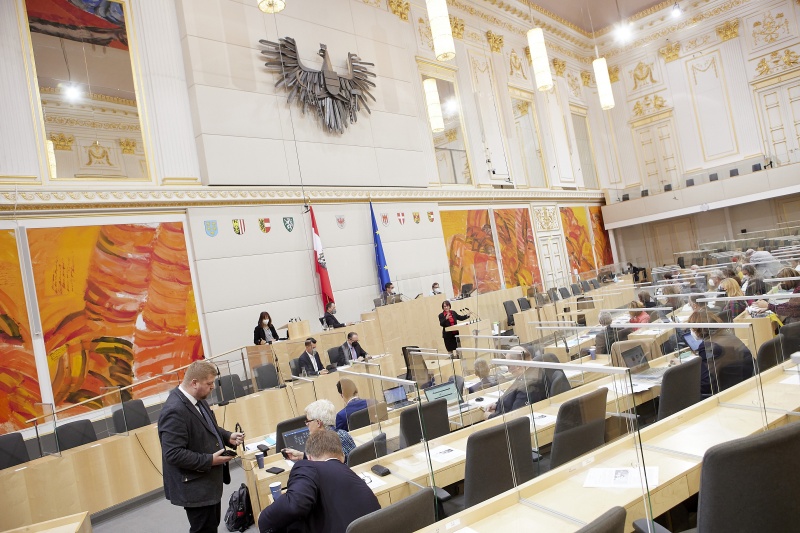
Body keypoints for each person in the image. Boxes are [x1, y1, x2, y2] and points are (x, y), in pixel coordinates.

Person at [158, 360, 245, 533]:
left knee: (211, 527)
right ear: (194, 382)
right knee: (203, 529)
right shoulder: (174, 410)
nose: (213, 387)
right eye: (209, 383)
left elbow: (208, 427)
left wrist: (228, 437)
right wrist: (210, 460)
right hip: (195, 486)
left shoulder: (198, 399)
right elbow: (173, 453)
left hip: (208, 482)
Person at [258, 430, 380, 533]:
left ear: (309, 458)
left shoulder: (307, 467)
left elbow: (294, 505)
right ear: (342, 455)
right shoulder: (353, 477)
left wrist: (263, 518)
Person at [687, 309, 753, 396]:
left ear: (697, 329)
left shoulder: (707, 346)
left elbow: (705, 384)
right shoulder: (727, 334)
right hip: (745, 383)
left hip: (724, 392)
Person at [282, 400, 356, 461]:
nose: (307, 424)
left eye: (308, 421)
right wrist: (301, 455)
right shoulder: (342, 433)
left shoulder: (328, 443)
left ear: (318, 423)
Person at [486, 346, 544, 418]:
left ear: (518, 365)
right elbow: (512, 396)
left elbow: (514, 416)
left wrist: (489, 416)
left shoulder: (529, 384)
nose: (509, 370)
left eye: (509, 366)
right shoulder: (530, 373)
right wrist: (497, 404)